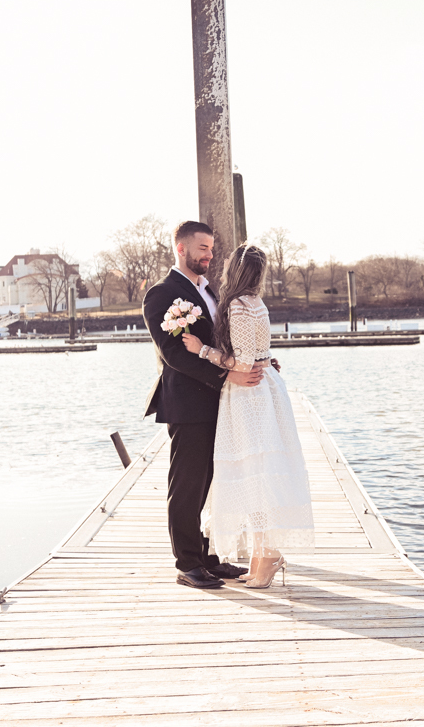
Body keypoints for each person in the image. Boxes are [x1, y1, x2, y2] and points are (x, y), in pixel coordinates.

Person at [182, 243, 315, 588]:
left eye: (227, 265)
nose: (222, 268)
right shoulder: (257, 303)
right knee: (259, 477)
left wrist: (202, 350)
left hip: (249, 398)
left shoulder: (239, 307)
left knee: (255, 477)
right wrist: (267, 359)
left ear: (236, 271)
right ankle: (261, 557)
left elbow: (241, 364)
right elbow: (258, 353)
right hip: (263, 389)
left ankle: (267, 556)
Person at [142, 221, 264, 589]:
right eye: (203, 248)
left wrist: (258, 361)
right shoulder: (161, 294)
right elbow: (174, 355)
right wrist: (228, 377)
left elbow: (227, 343)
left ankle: (209, 558)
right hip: (189, 405)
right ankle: (187, 564)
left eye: (212, 248)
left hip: (222, 403)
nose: (210, 255)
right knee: (188, 486)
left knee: (214, 483)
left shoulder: (211, 291)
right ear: (181, 248)